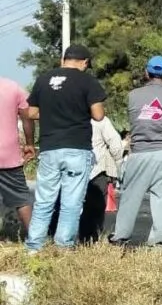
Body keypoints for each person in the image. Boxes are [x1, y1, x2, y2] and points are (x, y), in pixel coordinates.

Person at [24, 44, 106, 253]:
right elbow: (98, 115)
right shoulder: (87, 81)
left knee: (44, 201)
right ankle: (63, 247)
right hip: (77, 147)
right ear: (85, 62)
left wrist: (53, 112)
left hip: (50, 147)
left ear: (64, 59)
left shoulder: (43, 79)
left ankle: (34, 247)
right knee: (71, 202)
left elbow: (31, 113)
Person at [109, 55, 162, 248]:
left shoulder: (133, 95)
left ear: (146, 73)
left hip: (140, 152)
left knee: (130, 196)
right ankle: (158, 242)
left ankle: (120, 236)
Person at [0, 76, 36, 233]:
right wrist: (29, 143)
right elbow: (28, 116)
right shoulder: (13, 87)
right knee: (22, 198)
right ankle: (35, 240)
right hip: (7, 154)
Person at [79, 115, 123, 242]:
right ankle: (91, 239)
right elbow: (115, 143)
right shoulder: (101, 120)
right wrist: (118, 163)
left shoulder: (69, 113)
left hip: (71, 167)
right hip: (97, 169)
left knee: (67, 206)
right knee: (95, 208)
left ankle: (61, 239)